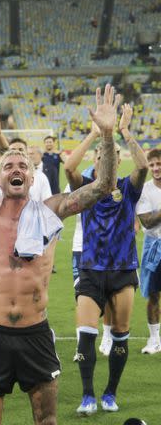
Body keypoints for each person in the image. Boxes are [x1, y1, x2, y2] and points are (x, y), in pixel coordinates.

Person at [0, 84, 119, 425]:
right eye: (8, 165)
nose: (16, 168)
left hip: (35, 332)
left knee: (46, 419)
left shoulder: (53, 209)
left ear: (32, 177)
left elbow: (103, 186)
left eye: (23, 165)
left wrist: (106, 134)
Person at [65, 103, 148, 415]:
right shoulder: (86, 189)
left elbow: (141, 167)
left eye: (110, 155)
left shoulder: (128, 188)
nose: (105, 160)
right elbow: (69, 168)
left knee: (120, 333)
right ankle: (87, 395)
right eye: (100, 157)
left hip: (123, 270)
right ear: (96, 161)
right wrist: (93, 134)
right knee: (86, 335)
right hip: (91, 271)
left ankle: (110, 392)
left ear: (117, 159)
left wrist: (124, 132)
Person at [137, 148, 161, 354]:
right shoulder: (145, 189)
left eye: (158, 164)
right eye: (152, 164)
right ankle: (154, 340)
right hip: (154, 244)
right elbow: (147, 221)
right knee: (153, 294)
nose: (155, 168)